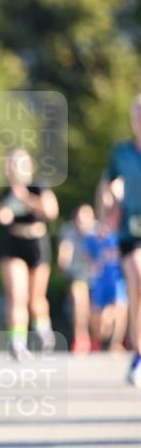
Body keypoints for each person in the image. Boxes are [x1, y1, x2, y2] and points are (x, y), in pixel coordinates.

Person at [0, 148, 59, 359]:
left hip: (36, 243)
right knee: (16, 296)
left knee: (35, 298)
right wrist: (1, 214)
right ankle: (17, 342)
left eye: (18, 163)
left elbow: (51, 211)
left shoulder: (38, 186)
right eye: (11, 163)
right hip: (13, 243)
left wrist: (26, 198)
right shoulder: (6, 191)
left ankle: (43, 329)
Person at [98, 94, 141, 386]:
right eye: (138, 114)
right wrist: (108, 209)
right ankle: (139, 353)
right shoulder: (121, 153)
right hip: (131, 229)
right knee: (138, 279)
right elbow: (107, 185)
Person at [57, 204, 97, 353]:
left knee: (96, 314)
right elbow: (65, 251)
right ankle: (81, 338)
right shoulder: (69, 230)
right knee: (79, 301)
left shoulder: (99, 231)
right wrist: (63, 263)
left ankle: (96, 338)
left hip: (98, 277)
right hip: (78, 274)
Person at [85, 226, 128, 354]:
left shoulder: (122, 235)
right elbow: (87, 255)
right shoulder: (92, 238)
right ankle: (97, 340)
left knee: (119, 310)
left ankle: (116, 343)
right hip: (101, 281)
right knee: (99, 318)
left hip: (117, 280)